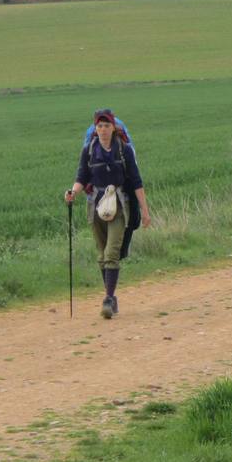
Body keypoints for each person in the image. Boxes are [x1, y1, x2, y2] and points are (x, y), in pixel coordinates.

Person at [65, 109, 151, 320]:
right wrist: (73, 192)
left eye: (106, 126)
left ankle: (108, 298)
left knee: (112, 252)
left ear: (113, 128)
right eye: (99, 126)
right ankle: (111, 296)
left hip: (120, 205)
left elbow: (137, 181)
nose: (103, 130)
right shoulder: (88, 150)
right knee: (102, 254)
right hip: (95, 206)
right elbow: (81, 176)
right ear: (96, 129)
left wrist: (145, 211)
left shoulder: (124, 150)